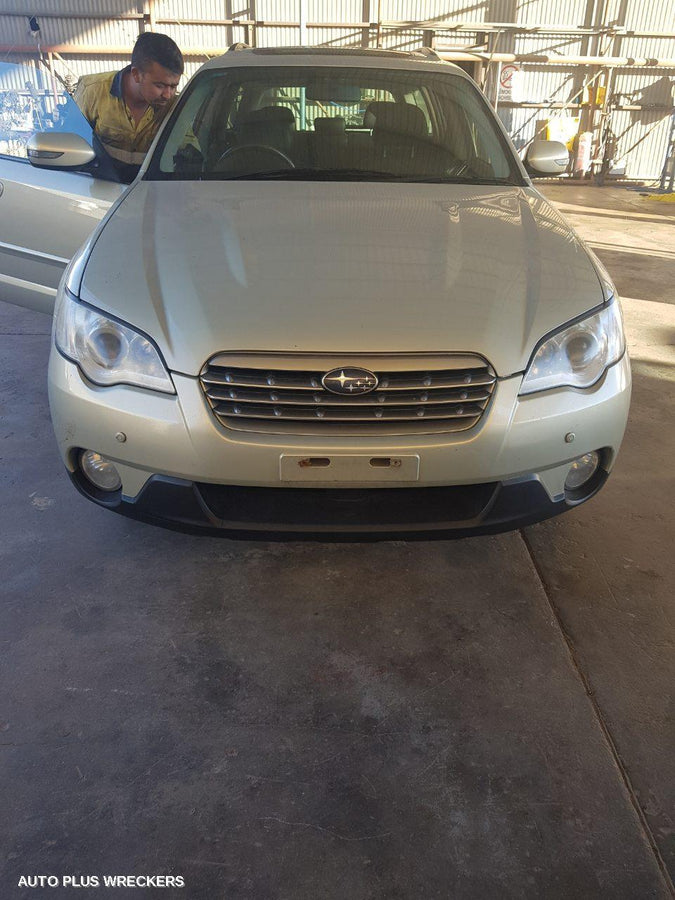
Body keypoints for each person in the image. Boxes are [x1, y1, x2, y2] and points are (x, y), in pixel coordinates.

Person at [75, 32, 183, 182]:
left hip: (151, 194)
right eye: (160, 85)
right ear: (136, 74)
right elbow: (69, 146)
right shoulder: (93, 90)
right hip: (99, 194)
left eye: (174, 86)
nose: (168, 95)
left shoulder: (176, 105)